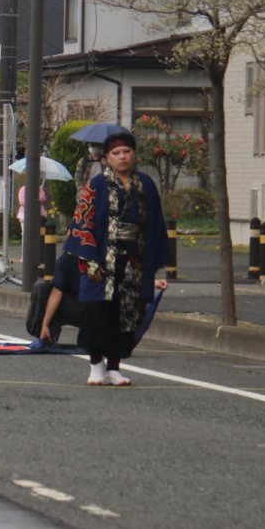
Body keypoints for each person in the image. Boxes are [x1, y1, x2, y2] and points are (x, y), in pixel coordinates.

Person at [63, 131, 169, 386]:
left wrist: (154, 267)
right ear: (108, 158)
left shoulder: (146, 184)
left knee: (127, 313)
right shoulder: (97, 184)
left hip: (134, 258)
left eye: (127, 151)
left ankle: (114, 366)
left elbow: (155, 224)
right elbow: (82, 221)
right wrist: (90, 260)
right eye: (116, 153)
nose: (122, 157)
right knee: (96, 312)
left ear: (134, 154)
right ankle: (96, 364)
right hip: (101, 259)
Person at [25, 251, 81, 345]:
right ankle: (47, 335)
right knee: (41, 288)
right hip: (74, 304)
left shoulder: (103, 258)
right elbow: (56, 293)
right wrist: (45, 325)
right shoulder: (66, 260)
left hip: (96, 307)